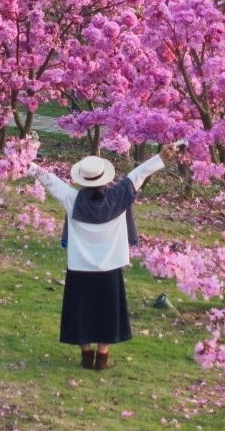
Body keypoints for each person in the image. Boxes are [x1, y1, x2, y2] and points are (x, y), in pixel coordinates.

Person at [29, 149, 165, 370]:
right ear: (105, 178)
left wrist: (27, 164)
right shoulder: (118, 197)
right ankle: (102, 358)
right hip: (110, 268)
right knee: (107, 311)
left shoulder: (72, 199)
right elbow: (139, 174)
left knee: (81, 310)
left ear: (83, 180)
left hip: (79, 268)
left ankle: (86, 356)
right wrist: (162, 157)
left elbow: (50, 181)